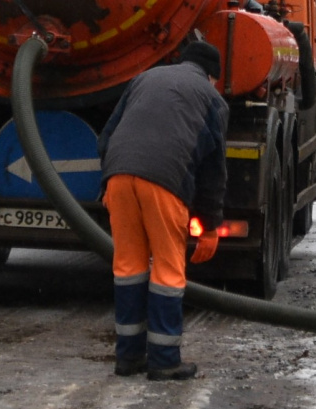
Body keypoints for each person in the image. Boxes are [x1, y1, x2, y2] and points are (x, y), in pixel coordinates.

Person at [98, 41, 229, 381]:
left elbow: (107, 135)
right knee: (169, 272)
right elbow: (214, 170)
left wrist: (107, 185)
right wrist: (211, 225)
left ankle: (128, 358)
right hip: (165, 182)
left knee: (128, 268)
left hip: (118, 176)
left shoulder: (144, 78)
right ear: (212, 74)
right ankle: (164, 360)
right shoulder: (212, 97)